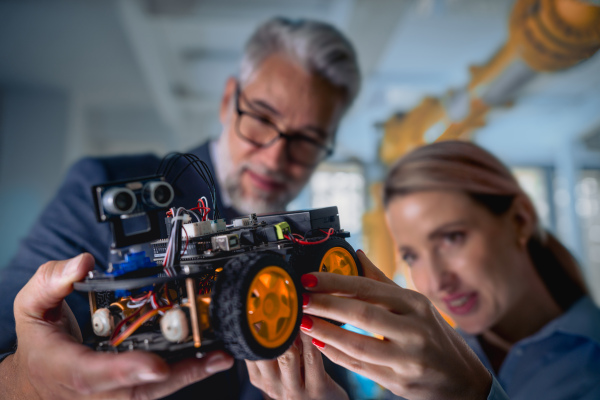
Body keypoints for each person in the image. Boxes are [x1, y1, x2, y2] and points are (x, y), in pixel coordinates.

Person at [0, 17, 360, 399]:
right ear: (228, 101)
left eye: (307, 140)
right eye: (262, 118)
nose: (275, 157)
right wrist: (25, 382)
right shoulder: (109, 189)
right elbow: (9, 331)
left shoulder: (309, 256)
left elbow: (335, 375)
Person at [249, 140, 600, 400]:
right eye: (412, 255)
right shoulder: (424, 366)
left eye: (452, 238)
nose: (435, 282)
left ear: (520, 220)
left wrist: (472, 394)